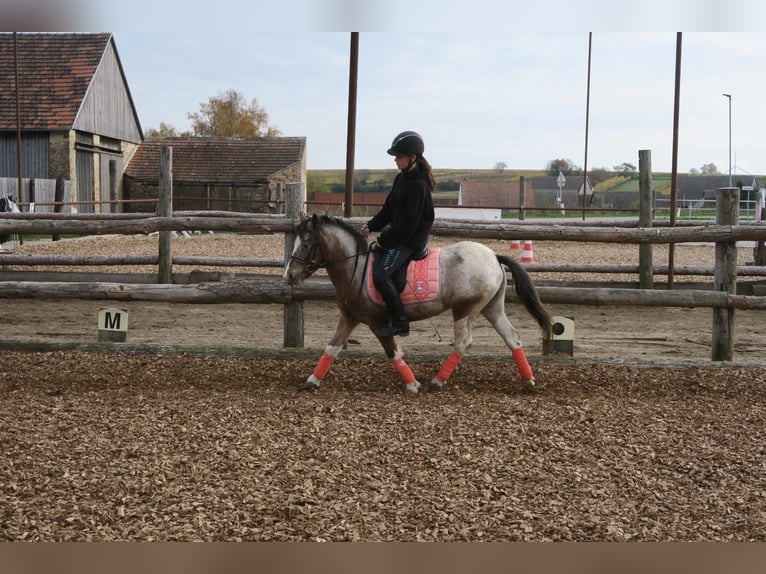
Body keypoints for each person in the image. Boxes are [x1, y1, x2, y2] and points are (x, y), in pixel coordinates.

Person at [361, 131, 436, 338]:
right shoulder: (401, 179)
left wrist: (384, 239)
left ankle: (401, 322)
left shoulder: (419, 185)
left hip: (410, 240)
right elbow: (389, 209)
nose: (395, 160)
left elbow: (408, 224)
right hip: (399, 236)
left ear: (412, 158)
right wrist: (372, 225)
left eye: (399, 156)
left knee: (381, 275)